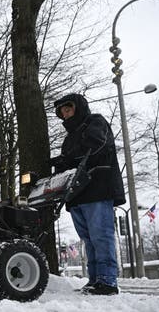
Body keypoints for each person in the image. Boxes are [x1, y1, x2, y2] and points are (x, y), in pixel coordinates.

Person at [50, 93, 125, 295]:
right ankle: (95, 279)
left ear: (78, 108)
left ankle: (108, 280)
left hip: (97, 188)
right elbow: (68, 161)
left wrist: (71, 157)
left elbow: (97, 145)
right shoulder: (69, 139)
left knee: (101, 235)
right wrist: (58, 163)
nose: (66, 115)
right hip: (77, 194)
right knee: (89, 238)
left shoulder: (95, 122)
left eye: (69, 109)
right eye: (63, 112)